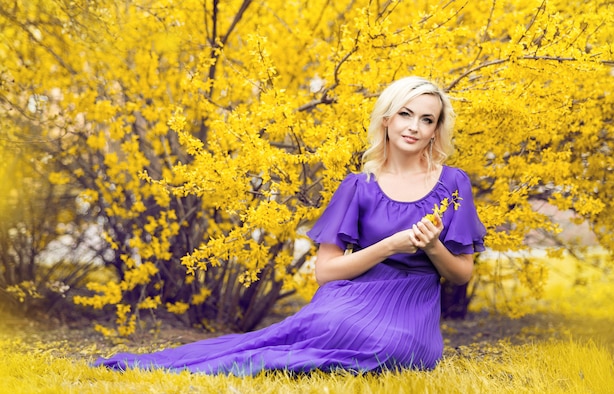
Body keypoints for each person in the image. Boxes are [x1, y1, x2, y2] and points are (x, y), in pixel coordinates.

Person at [92, 76, 486, 375]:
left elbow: (461, 275)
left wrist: (434, 247)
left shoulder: (452, 184)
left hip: (411, 309)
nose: (414, 126)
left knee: (396, 348)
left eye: (426, 119)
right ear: (386, 118)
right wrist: (388, 246)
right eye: (405, 113)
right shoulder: (358, 186)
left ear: (436, 129)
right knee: (329, 323)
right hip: (350, 297)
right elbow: (326, 272)